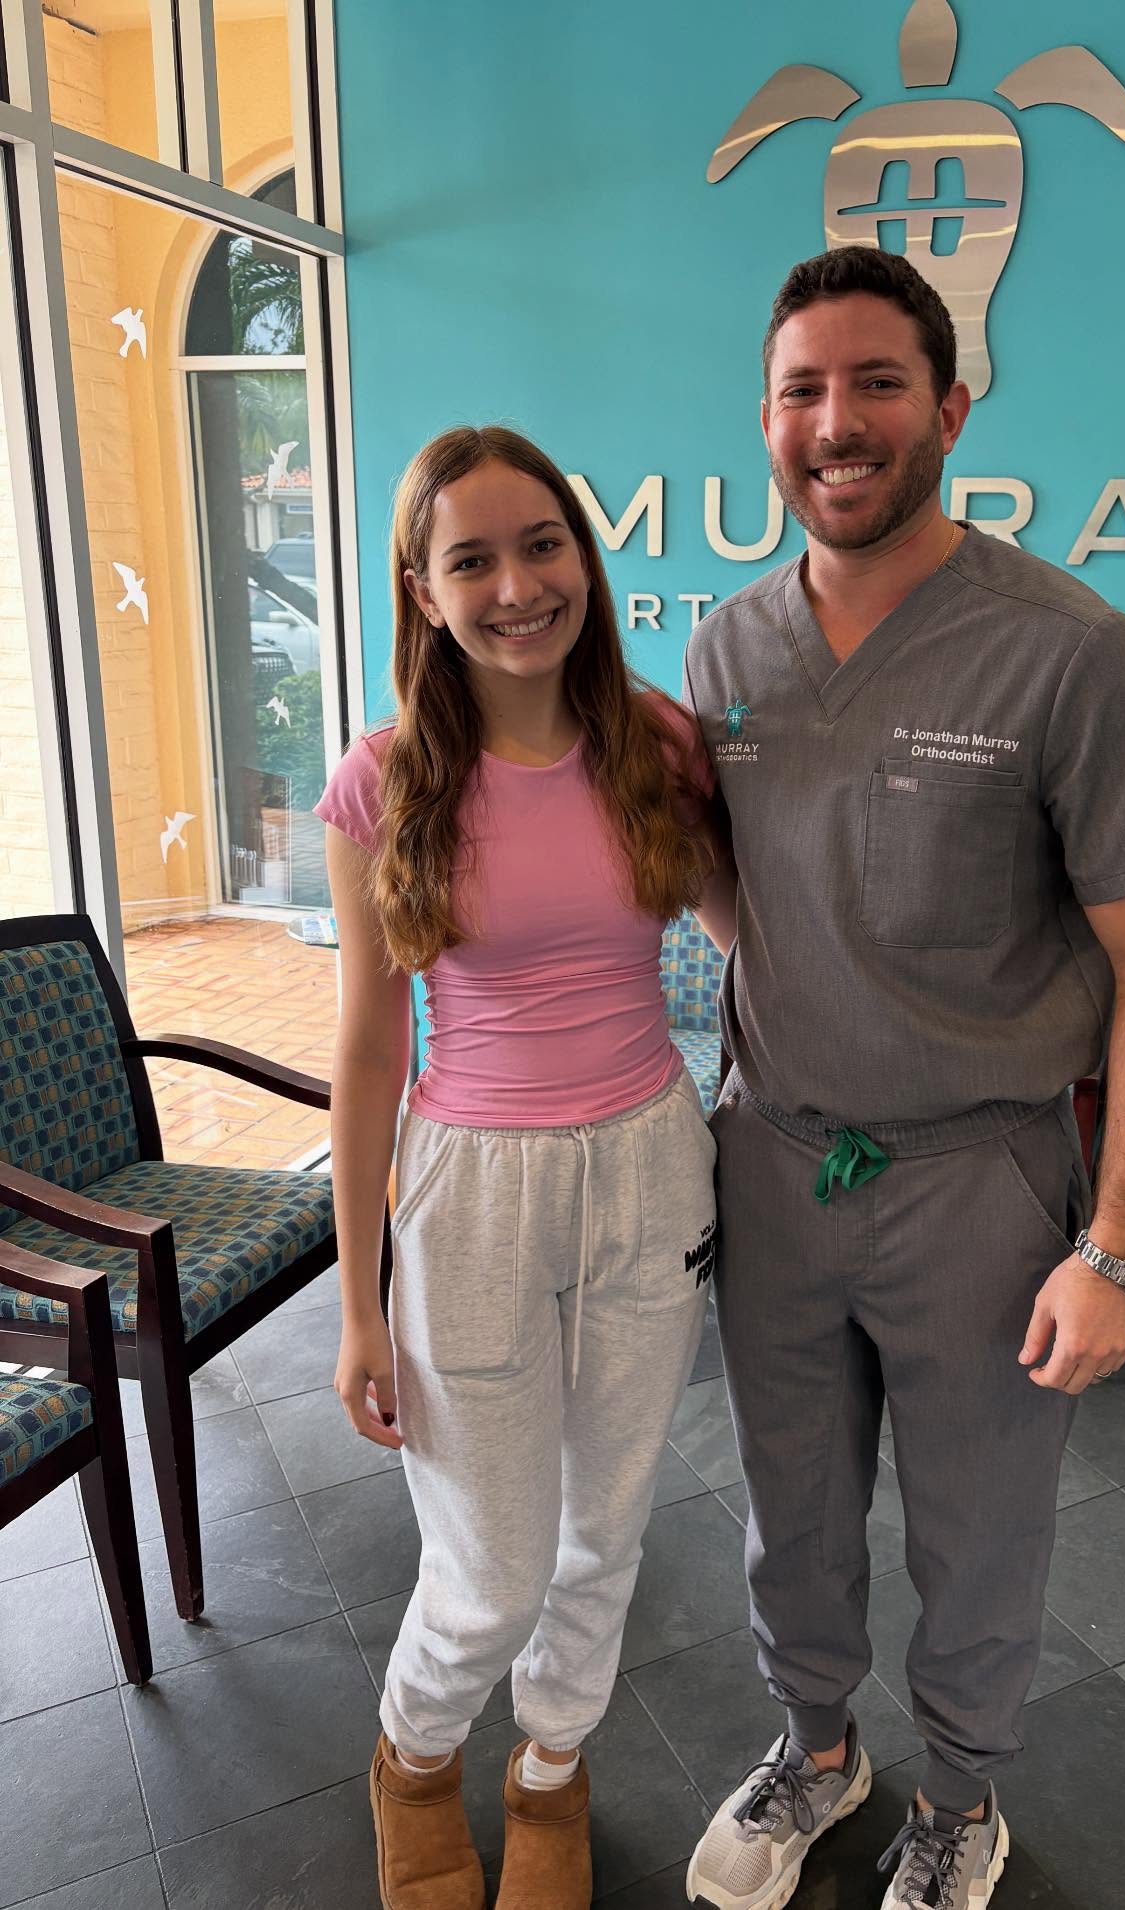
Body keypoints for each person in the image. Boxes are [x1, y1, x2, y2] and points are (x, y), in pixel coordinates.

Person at [682, 248, 1125, 1910]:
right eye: (800, 390)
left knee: (978, 1527)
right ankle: (819, 1749)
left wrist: (1117, 1241)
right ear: (766, 418)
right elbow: (729, 889)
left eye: (875, 383)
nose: (834, 422)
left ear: (952, 407)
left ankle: (962, 1796)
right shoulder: (726, 652)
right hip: (771, 1157)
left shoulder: (1069, 652)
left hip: (981, 1181)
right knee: (790, 1507)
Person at [317, 424, 731, 1910]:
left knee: (604, 1526)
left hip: (646, 1162)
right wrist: (361, 1303)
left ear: (583, 555)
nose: (515, 584)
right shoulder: (382, 786)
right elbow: (369, 1050)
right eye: (471, 557)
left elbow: (752, 930)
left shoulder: (659, 742)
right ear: (422, 590)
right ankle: (416, 1754)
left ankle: (551, 1769)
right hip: (469, 1181)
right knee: (489, 1562)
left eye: (540, 543)